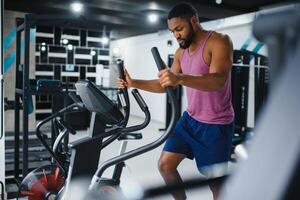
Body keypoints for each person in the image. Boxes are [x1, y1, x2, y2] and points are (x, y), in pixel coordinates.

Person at [117, 3, 234, 200]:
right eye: (172, 31)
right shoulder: (181, 53)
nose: (176, 35)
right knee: (165, 165)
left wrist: (179, 78)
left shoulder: (219, 41)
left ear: (194, 21)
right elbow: (166, 84)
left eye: (179, 29)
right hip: (190, 120)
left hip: (215, 125)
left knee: (217, 185)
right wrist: (133, 82)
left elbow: (219, 81)